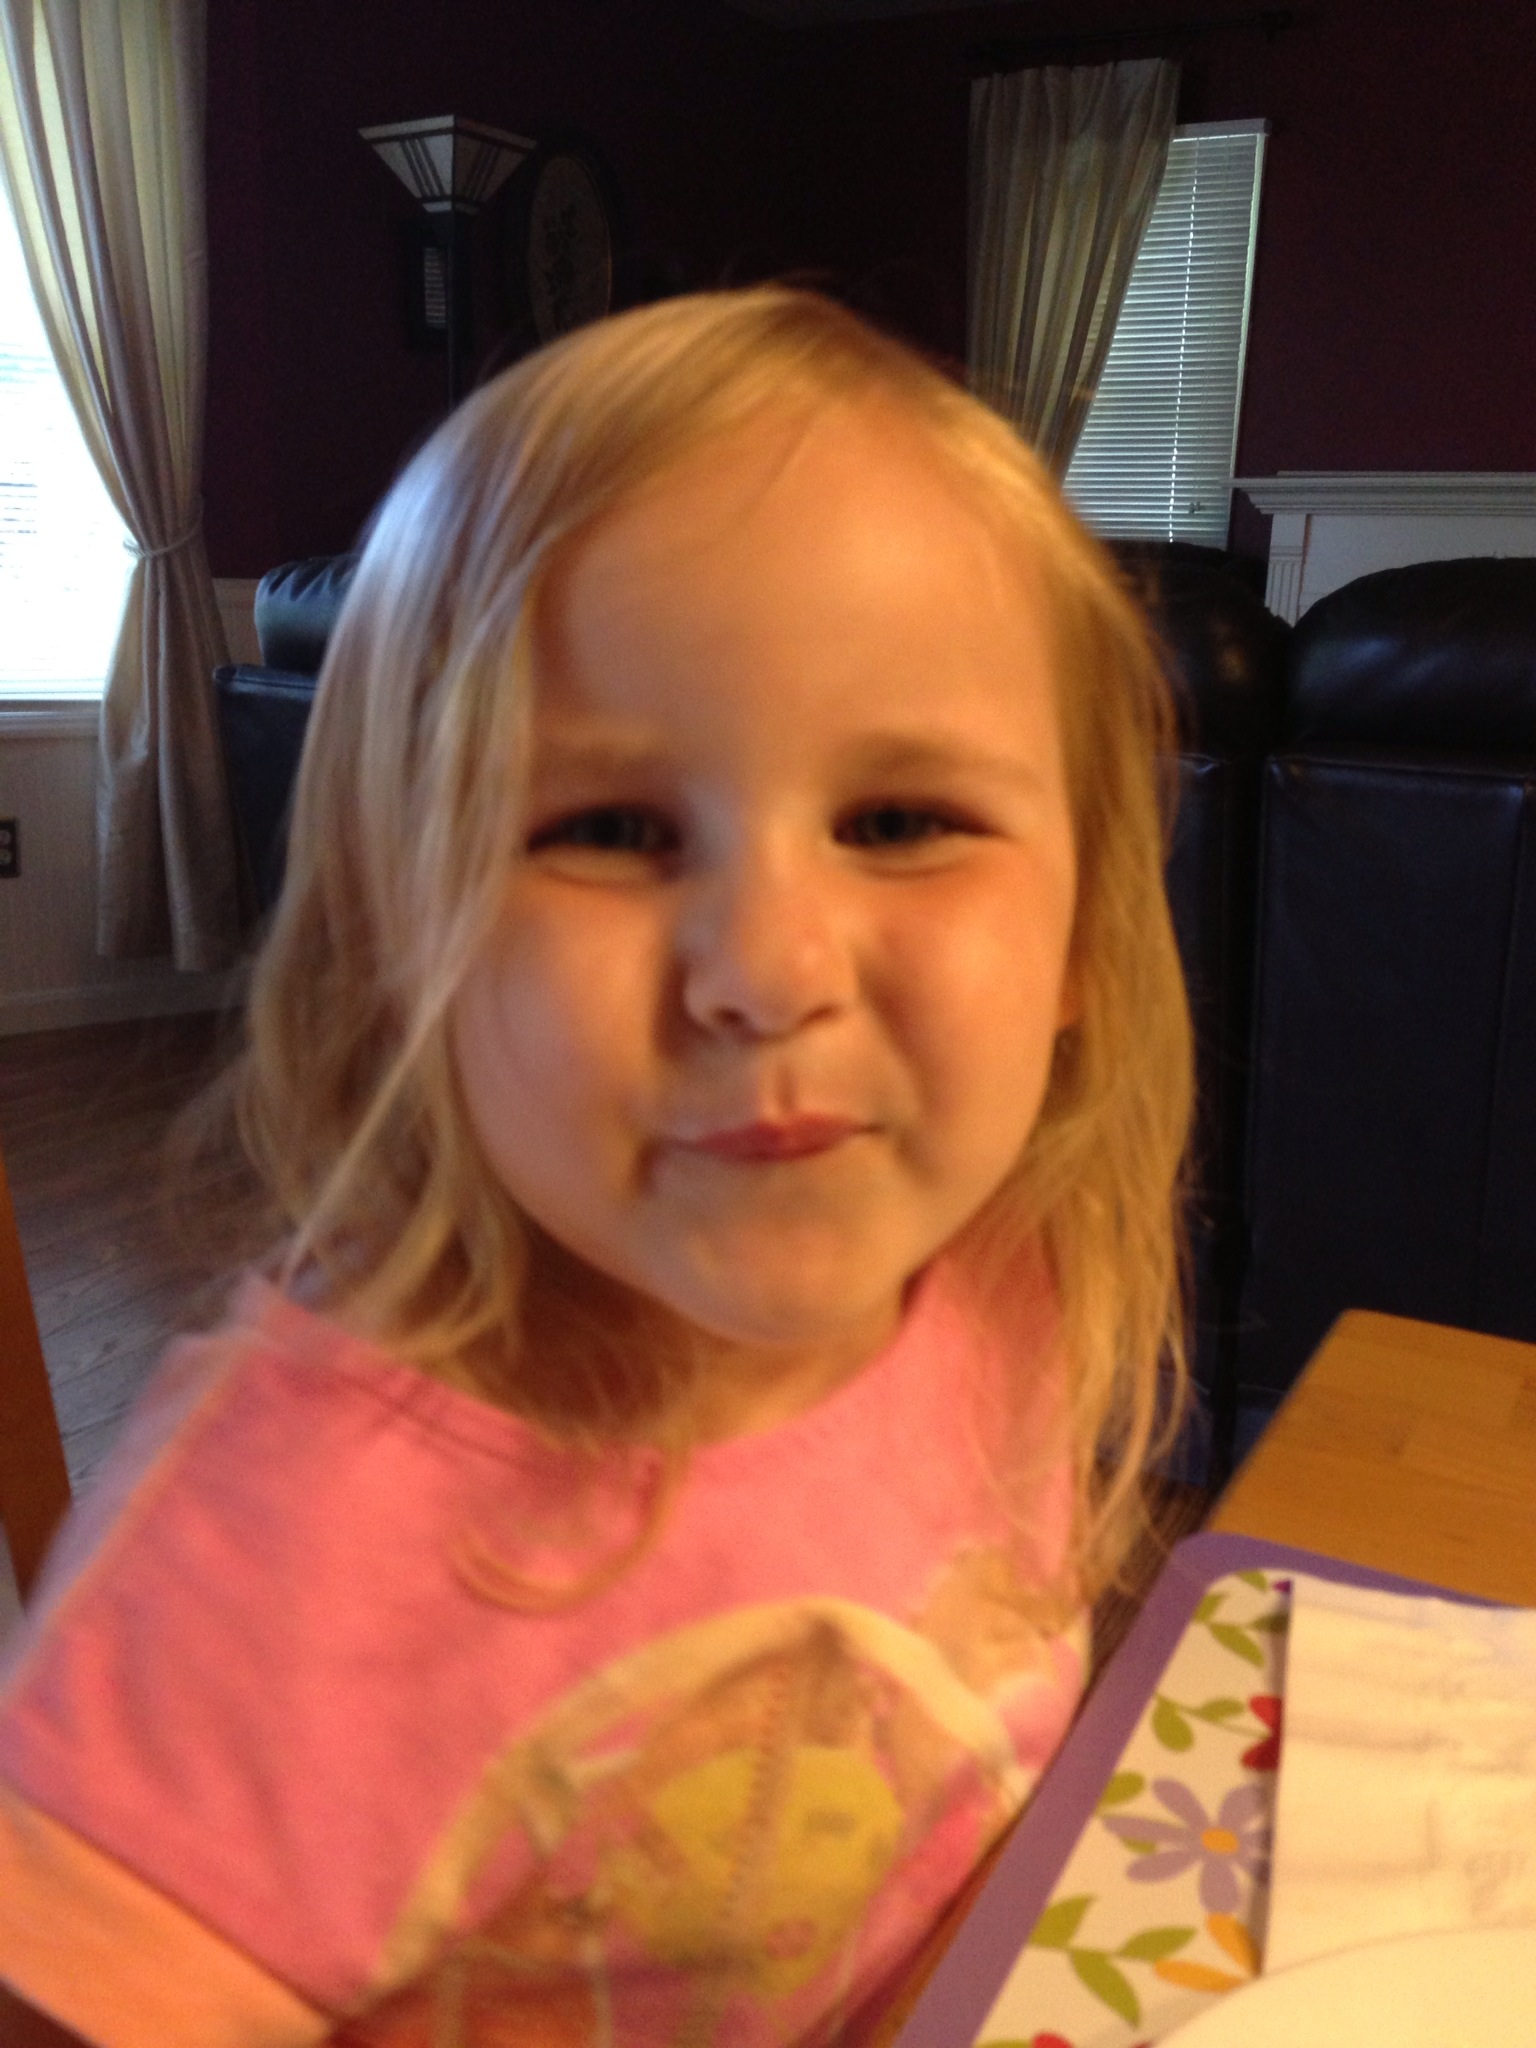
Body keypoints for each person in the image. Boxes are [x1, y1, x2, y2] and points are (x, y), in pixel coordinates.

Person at [0, 286, 1191, 2048]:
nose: (767, 971)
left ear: (1085, 922)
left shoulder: (1005, 1278)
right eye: (610, 830)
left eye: (898, 821)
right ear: (399, 939)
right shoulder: (269, 1561)